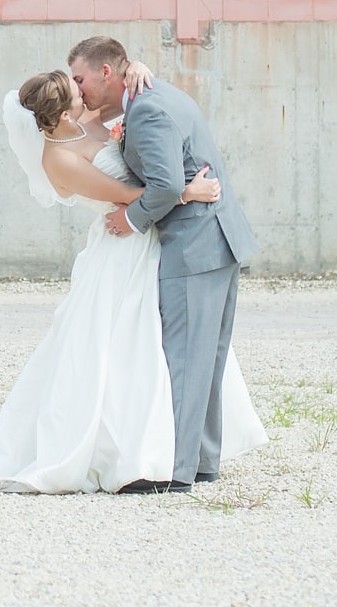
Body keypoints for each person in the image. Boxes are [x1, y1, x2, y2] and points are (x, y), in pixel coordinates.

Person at [0, 64, 265, 494]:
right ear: (57, 112)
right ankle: (128, 452)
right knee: (125, 351)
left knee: (164, 348)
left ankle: (178, 449)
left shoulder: (84, 123)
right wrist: (187, 192)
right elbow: (127, 194)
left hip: (148, 240)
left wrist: (139, 68)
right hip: (122, 245)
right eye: (74, 88)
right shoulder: (57, 158)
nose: (81, 89)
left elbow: (121, 103)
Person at [72, 35, 262, 490]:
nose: (79, 91)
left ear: (106, 72)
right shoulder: (152, 93)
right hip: (217, 239)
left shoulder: (149, 110)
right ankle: (201, 461)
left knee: (183, 358)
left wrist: (129, 219)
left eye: (81, 79)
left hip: (194, 244)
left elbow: (163, 185)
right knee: (206, 359)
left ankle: (175, 472)